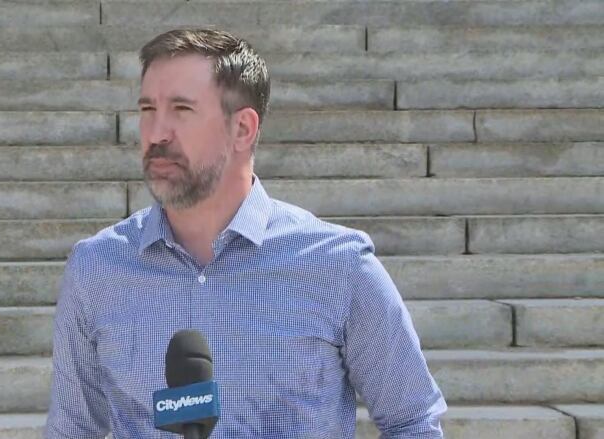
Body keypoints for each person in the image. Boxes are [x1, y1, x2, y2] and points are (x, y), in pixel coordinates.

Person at [45, 28, 446, 438]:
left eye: (181, 109)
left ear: (242, 129)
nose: (157, 133)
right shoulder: (97, 269)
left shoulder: (338, 265)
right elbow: (71, 431)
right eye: (148, 109)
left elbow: (412, 422)